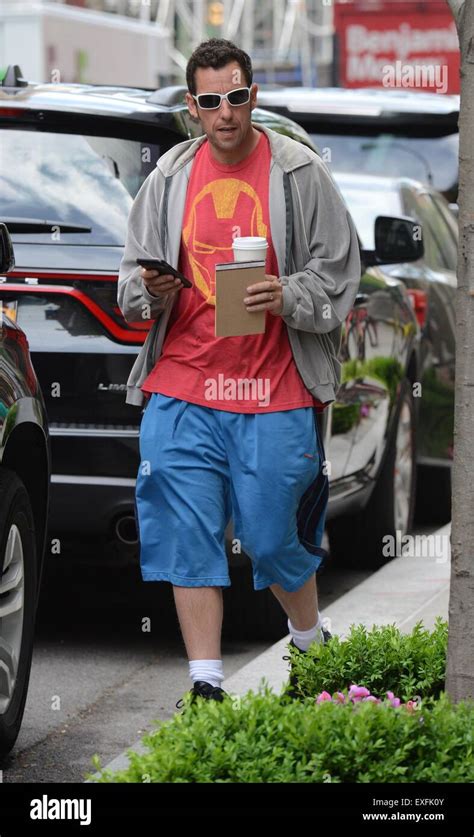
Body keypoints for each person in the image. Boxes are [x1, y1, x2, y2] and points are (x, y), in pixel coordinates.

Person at [117, 38, 361, 707]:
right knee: (184, 525)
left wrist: (287, 295)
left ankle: (310, 642)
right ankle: (206, 682)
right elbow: (130, 283)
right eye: (209, 101)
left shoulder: (299, 173)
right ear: (193, 107)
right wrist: (152, 293)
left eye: (236, 96)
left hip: (273, 385)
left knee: (272, 531)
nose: (225, 113)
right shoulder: (168, 175)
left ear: (253, 96)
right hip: (183, 383)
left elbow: (339, 273)